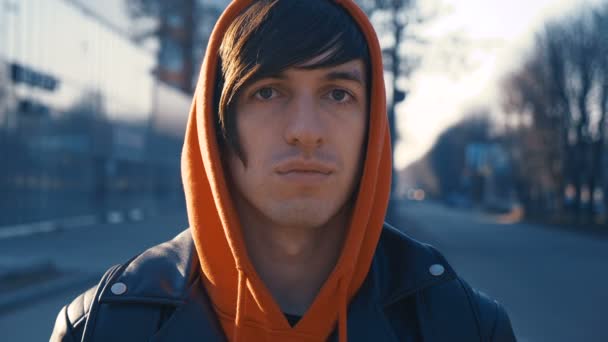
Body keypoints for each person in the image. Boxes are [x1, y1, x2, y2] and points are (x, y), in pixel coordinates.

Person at [51, 0, 516, 341]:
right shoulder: (102, 326)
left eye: (338, 94)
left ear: (372, 127)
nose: (305, 131)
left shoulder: (464, 326)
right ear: (216, 126)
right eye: (268, 92)